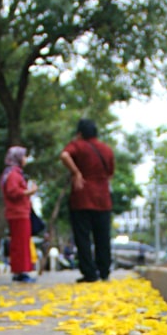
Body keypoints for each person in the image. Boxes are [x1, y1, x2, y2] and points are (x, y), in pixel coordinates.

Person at [60, 118, 115, 283]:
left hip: (82, 196)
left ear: (79, 133)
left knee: (83, 236)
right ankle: (104, 271)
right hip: (103, 198)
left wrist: (76, 172)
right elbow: (110, 174)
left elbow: (64, 155)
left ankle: (90, 273)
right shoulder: (106, 150)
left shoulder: (78, 145)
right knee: (102, 236)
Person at [0, 146, 38, 282]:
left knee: (18, 242)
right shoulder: (13, 174)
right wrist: (30, 192)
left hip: (17, 212)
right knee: (21, 243)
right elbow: (13, 192)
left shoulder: (11, 173)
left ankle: (19, 270)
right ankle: (21, 271)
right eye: (23, 156)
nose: (25, 159)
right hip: (19, 213)